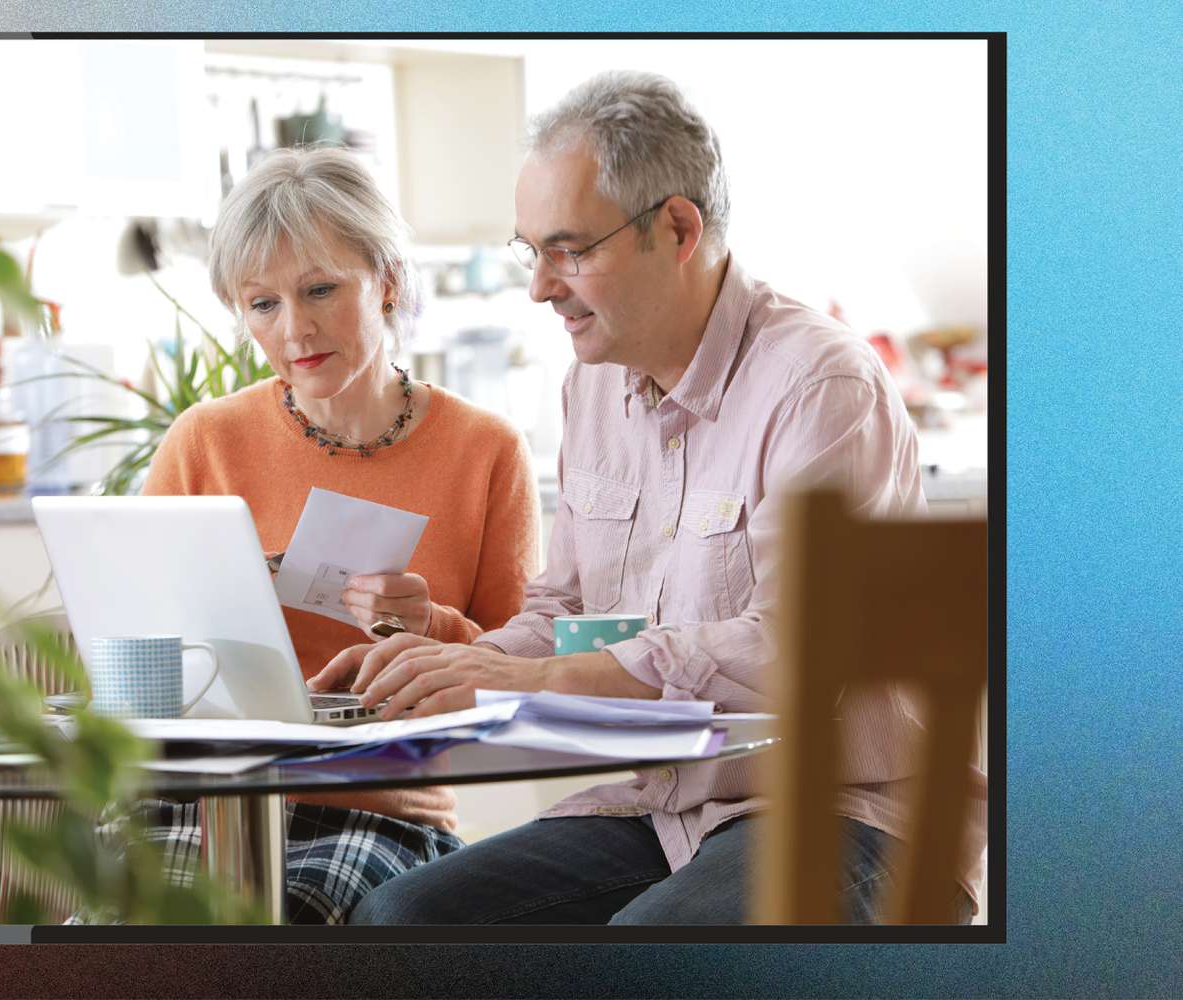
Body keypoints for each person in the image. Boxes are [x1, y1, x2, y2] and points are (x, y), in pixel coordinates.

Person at [314, 71, 986, 925]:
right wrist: (454, 669)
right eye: (532, 251)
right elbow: (566, 609)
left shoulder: (822, 386)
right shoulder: (592, 388)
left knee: (646, 948)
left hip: (851, 812)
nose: (539, 286)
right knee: (399, 921)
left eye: (570, 249)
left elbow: (803, 650)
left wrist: (541, 674)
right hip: (667, 810)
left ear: (676, 228)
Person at [134, 146, 541, 924]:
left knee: (282, 920)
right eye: (262, 305)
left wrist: (431, 631)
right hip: (203, 796)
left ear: (387, 282)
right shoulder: (205, 440)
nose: (295, 330)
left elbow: (520, 675)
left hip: (378, 808)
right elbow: (134, 653)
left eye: (320, 289)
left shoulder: (485, 450)